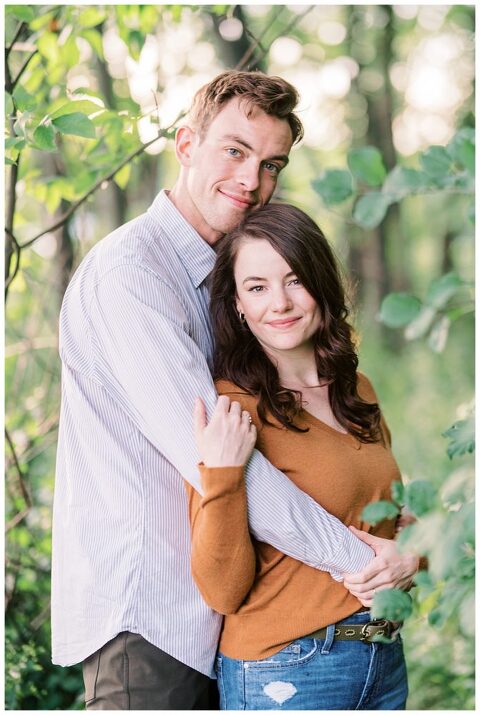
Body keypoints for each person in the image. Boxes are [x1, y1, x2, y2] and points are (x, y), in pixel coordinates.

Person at [51, 70, 419, 710]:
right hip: (151, 617)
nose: (252, 180)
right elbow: (220, 462)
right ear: (186, 143)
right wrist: (366, 567)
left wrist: (406, 547)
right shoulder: (131, 276)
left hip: (231, 618)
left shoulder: (228, 278)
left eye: (271, 163)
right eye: (234, 151)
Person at [187, 203, 422, 710]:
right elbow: (222, 591)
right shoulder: (232, 410)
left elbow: (395, 518)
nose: (280, 302)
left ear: (321, 284)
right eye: (257, 287)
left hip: (383, 658)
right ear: (237, 307)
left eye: (295, 279)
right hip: (288, 671)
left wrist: (412, 556)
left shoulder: (357, 390)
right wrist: (224, 472)